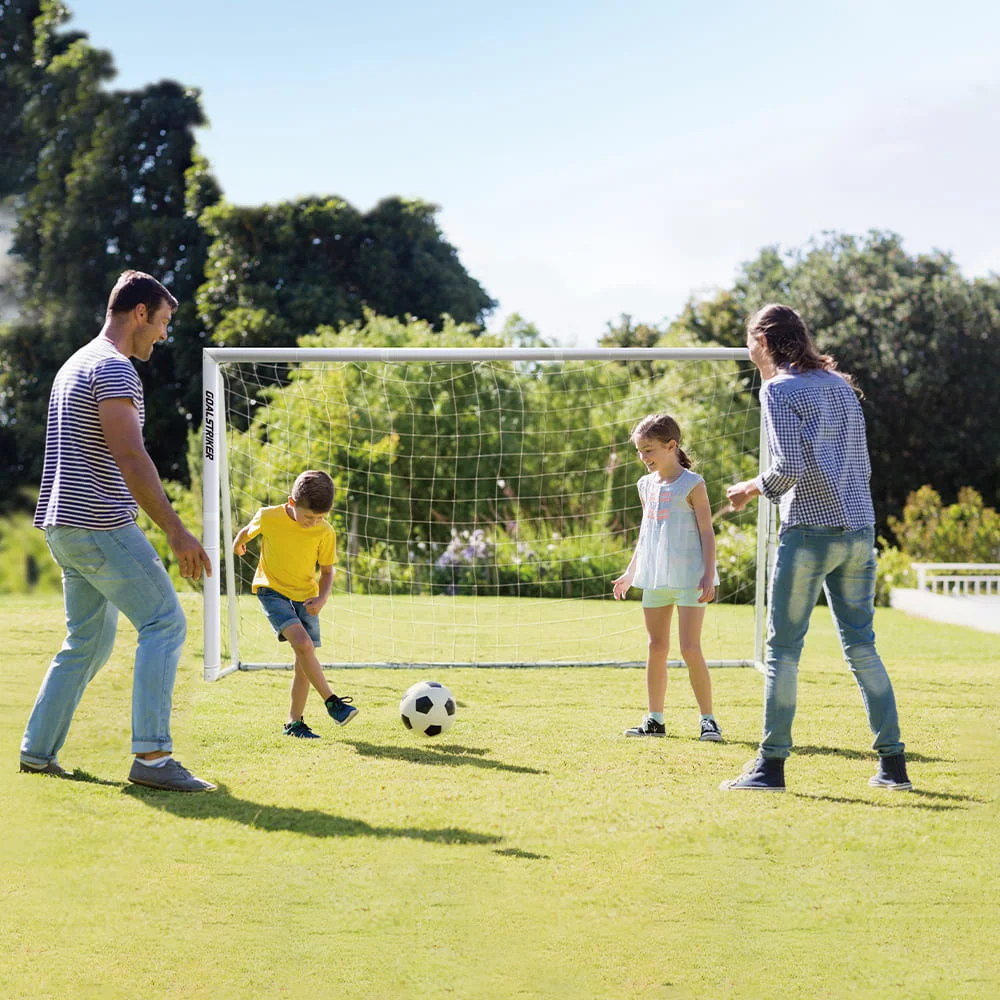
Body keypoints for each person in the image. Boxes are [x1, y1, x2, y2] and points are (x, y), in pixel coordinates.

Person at [20, 270, 216, 792]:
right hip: (97, 524)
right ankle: (153, 758)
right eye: (164, 321)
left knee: (88, 641)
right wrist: (176, 531)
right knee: (164, 622)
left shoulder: (75, 363)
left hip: (63, 527)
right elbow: (130, 456)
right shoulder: (113, 367)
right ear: (140, 313)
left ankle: (37, 752)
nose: (165, 334)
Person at [721, 303, 910, 792]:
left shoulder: (777, 389)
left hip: (809, 533)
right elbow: (860, 462)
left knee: (783, 651)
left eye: (749, 339)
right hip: (860, 532)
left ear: (764, 341)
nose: (747, 348)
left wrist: (750, 488)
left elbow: (788, 468)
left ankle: (770, 767)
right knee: (862, 647)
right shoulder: (840, 386)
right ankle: (893, 767)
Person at [612, 414, 722, 742]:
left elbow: (707, 532)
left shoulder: (693, 484)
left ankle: (708, 721)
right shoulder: (645, 485)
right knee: (656, 647)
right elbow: (646, 534)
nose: (643, 457)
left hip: (690, 580)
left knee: (690, 648)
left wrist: (709, 575)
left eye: (648, 450)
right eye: (639, 451)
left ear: (671, 446)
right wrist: (631, 572)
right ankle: (655, 720)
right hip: (655, 579)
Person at [233, 470, 358, 738]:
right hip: (271, 590)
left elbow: (327, 572)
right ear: (291, 503)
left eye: (320, 518)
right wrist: (238, 544)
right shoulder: (269, 517)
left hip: (306, 597)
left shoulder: (325, 531)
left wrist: (322, 599)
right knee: (303, 644)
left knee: (303, 664)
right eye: (309, 517)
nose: (314, 523)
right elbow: (246, 532)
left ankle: (294, 723)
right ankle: (332, 702)